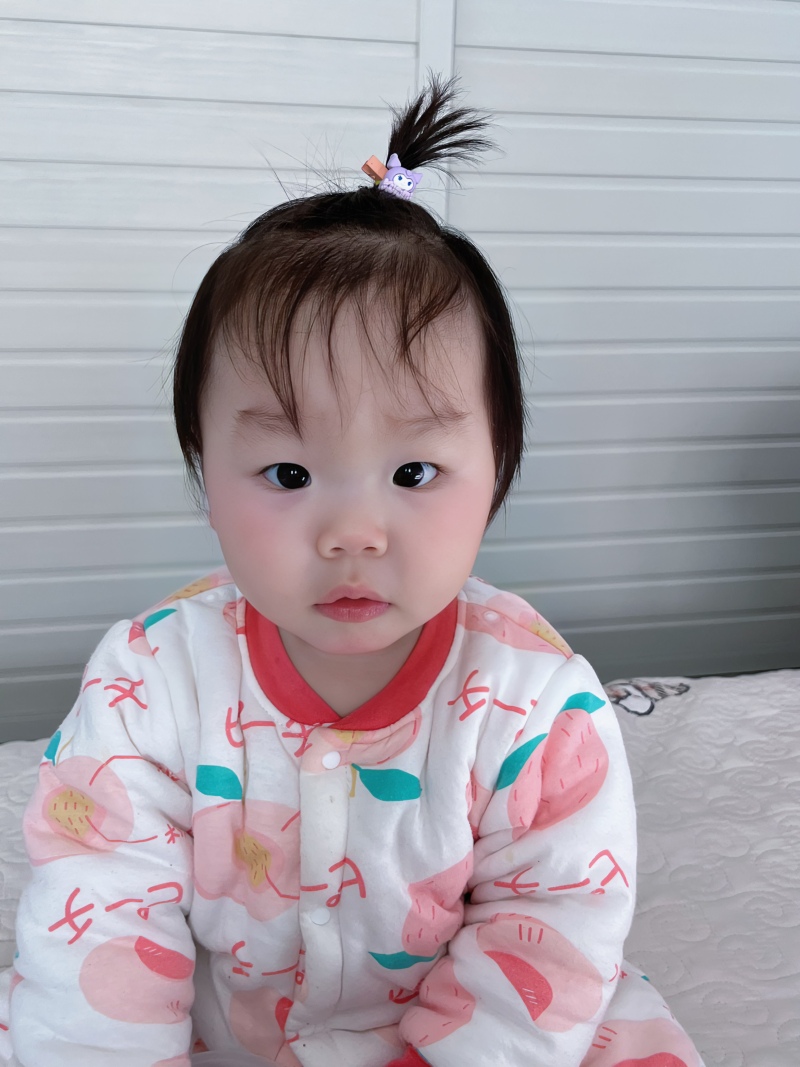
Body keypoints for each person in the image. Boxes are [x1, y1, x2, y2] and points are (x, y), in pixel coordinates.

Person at [2, 77, 703, 1067]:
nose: (353, 534)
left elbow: (548, 924)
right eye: (287, 474)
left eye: (414, 472)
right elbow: (101, 913)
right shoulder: (150, 679)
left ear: (497, 468)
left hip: (474, 1026)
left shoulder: (536, 704)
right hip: (222, 1019)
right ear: (205, 474)